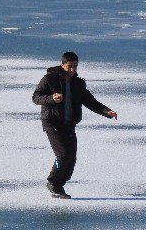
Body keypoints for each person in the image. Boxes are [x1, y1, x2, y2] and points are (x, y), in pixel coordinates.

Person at [32, 52, 118, 199]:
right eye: (70, 66)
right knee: (63, 155)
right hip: (52, 123)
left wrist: (106, 111)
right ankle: (53, 183)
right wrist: (51, 98)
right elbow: (36, 97)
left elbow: (90, 101)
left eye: (75, 66)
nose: (73, 70)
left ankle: (59, 185)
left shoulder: (78, 83)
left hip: (69, 124)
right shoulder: (49, 79)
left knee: (71, 158)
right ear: (62, 64)